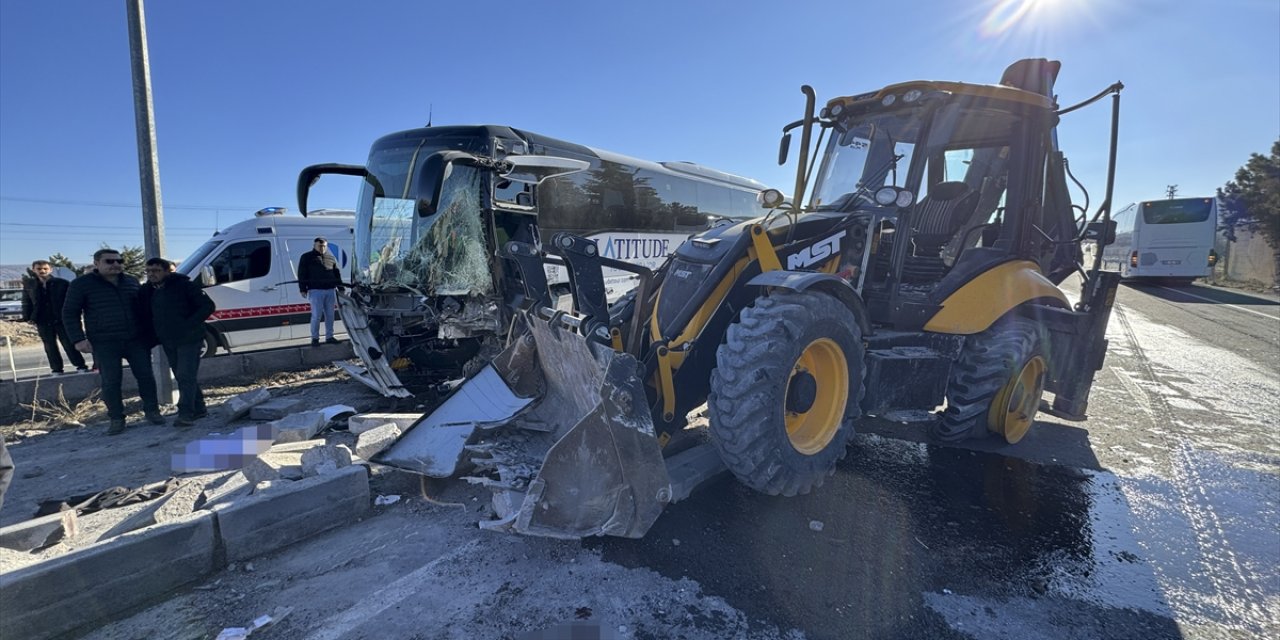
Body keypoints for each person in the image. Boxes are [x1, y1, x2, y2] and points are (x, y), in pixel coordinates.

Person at [63, 249, 163, 435]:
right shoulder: (81, 284)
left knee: (146, 377)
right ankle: (116, 419)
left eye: (119, 261)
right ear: (97, 263)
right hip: (104, 342)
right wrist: (78, 339)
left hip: (135, 339)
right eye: (109, 261)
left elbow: (144, 308)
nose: (116, 264)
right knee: (111, 381)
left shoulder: (131, 282)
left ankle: (152, 411)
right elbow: (69, 313)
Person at [140, 258, 216, 426]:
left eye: (156, 270)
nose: (152, 274)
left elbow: (207, 306)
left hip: (190, 338)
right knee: (183, 375)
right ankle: (199, 408)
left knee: (184, 375)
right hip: (168, 340)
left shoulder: (184, 286)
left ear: (167, 272)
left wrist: (188, 324)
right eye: (149, 271)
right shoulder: (147, 291)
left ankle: (185, 413)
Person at [21, 259, 89, 374]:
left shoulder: (61, 283)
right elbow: (26, 301)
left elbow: (70, 300)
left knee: (68, 343)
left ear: (50, 270)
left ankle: (80, 366)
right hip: (42, 319)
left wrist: (73, 315)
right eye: (39, 269)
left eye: (45, 269)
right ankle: (56, 369)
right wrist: (28, 317)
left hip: (60, 318)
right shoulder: (30, 284)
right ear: (34, 270)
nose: (42, 271)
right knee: (49, 346)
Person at [297, 236, 343, 346]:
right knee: (316, 315)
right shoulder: (306, 257)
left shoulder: (331, 258)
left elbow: (336, 273)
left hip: (330, 290)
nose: (322, 248)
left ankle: (329, 336)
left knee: (330, 315)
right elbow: (301, 274)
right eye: (320, 246)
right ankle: (315, 338)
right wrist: (303, 289)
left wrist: (341, 287)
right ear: (314, 245)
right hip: (315, 291)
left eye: (324, 246)